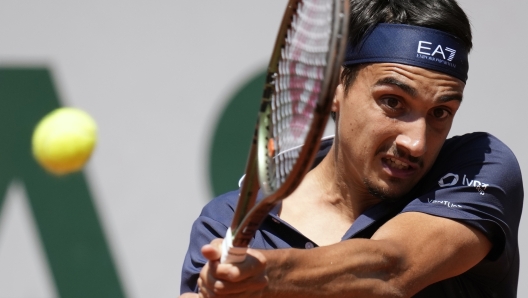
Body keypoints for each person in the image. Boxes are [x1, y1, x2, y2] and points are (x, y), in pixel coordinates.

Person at [180, 0, 523, 297]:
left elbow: (393, 268)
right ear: (335, 89)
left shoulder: (481, 167)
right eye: (392, 102)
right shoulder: (220, 224)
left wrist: (266, 276)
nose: (416, 143)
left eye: (440, 113)